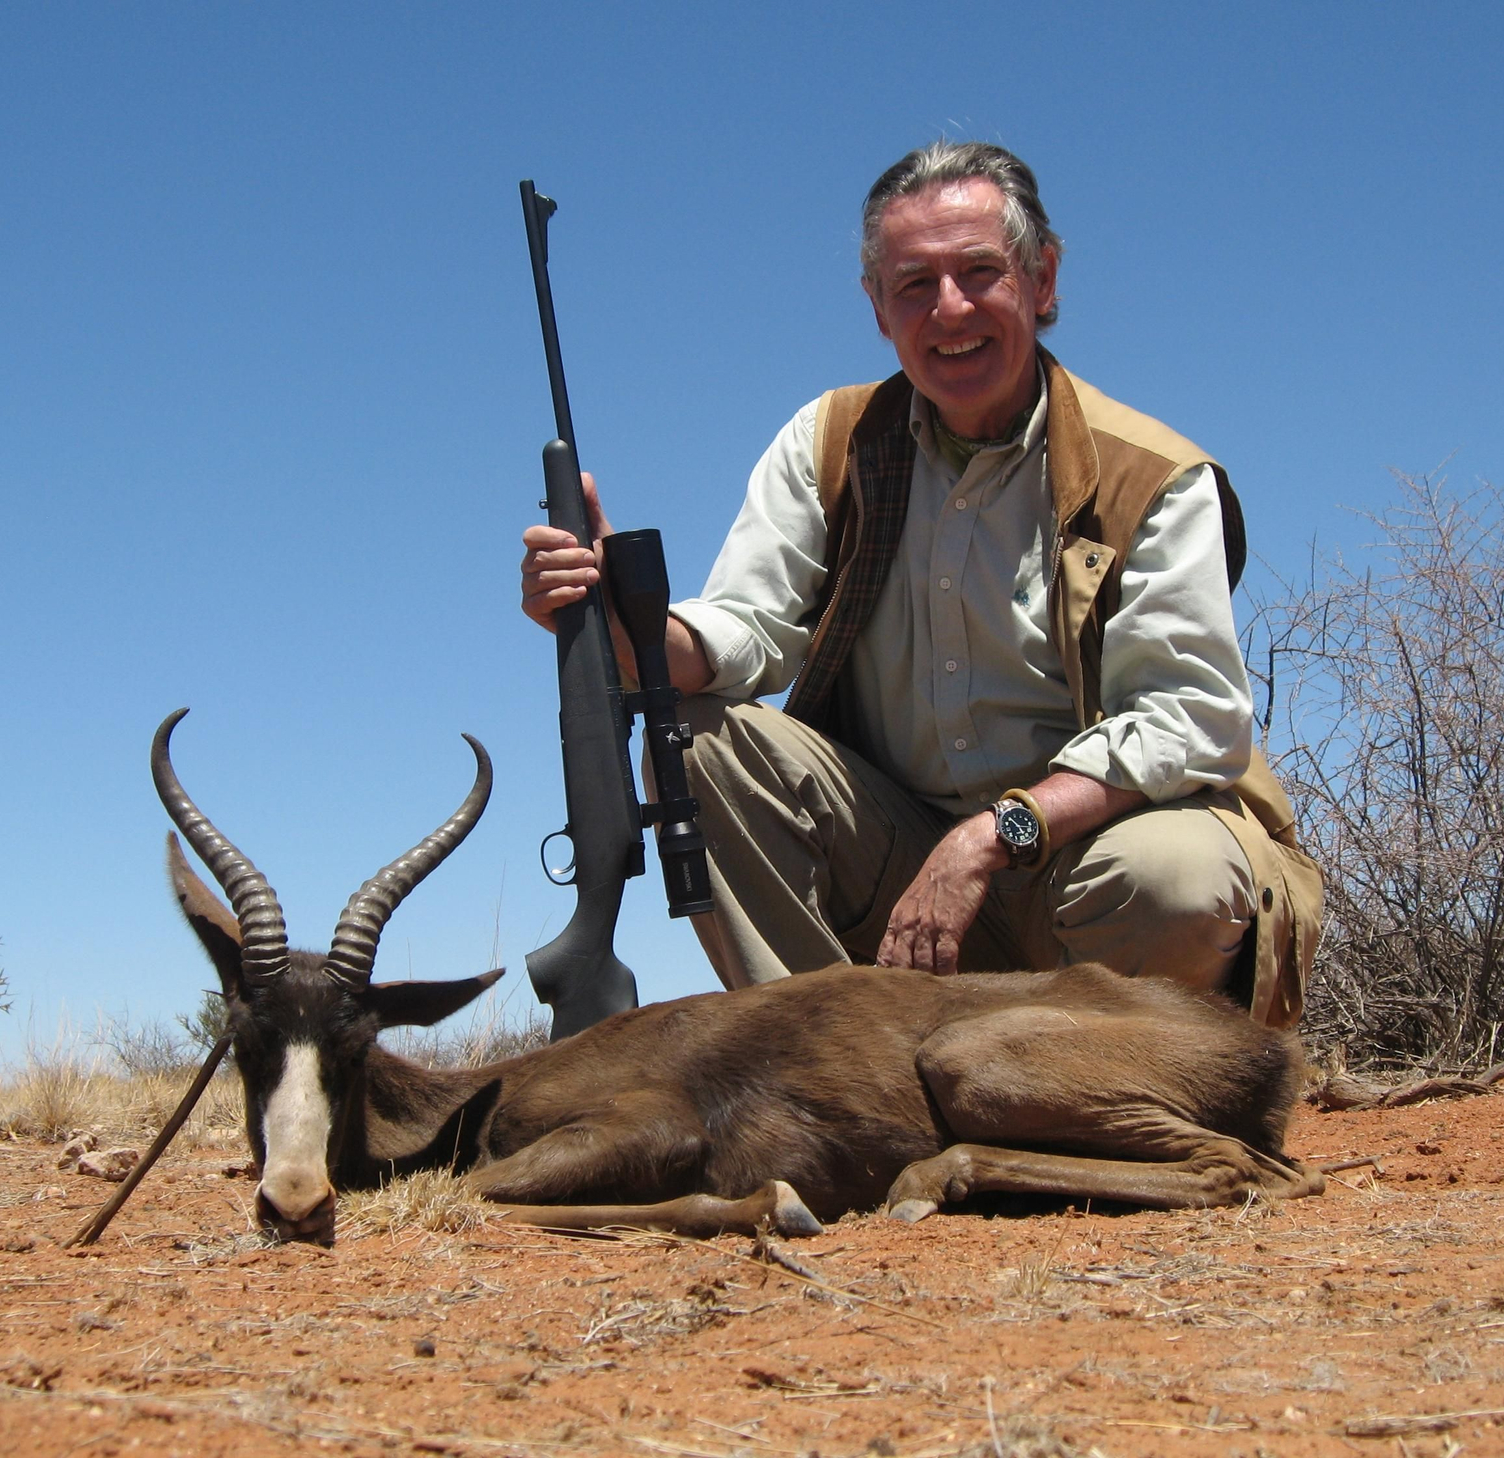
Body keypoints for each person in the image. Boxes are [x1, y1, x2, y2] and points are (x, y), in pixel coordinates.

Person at [521, 142, 1319, 1027]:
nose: (949, 310)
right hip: (901, 887)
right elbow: (748, 632)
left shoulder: (1157, 477)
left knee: (1177, 877)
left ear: (1043, 279)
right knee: (703, 743)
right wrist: (612, 618)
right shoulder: (828, 443)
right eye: (913, 285)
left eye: (980, 271)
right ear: (877, 309)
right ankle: (841, 1087)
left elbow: (1190, 717)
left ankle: (1118, 1097)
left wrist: (992, 837)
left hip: (1085, 873)